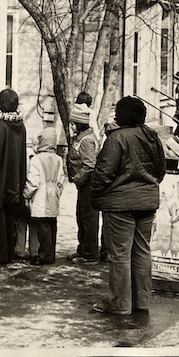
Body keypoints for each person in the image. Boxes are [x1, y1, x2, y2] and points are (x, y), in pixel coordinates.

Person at [89, 96, 167, 315]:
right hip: (147, 200)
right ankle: (141, 301)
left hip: (119, 203)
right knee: (142, 251)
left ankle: (119, 303)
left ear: (121, 115)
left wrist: (96, 195)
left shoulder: (116, 139)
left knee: (120, 254)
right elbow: (161, 170)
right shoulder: (153, 136)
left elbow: (103, 173)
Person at [0, 89, 27, 266]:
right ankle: (9, 251)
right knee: (9, 214)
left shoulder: (0, 126)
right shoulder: (20, 124)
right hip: (14, 176)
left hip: (0, 178)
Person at [23, 127, 65, 265]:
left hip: (41, 195)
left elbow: (33, 182)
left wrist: (26, 194)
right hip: (54, 194)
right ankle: (51, 254)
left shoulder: (36, 159)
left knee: (42, 227)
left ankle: (44, 255)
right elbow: (61, 180)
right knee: (52, 225)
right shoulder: (58, 159)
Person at [67, 103, 100, 264]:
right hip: (84, 184)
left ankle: (90, 253)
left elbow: (89, 165)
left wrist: (77, 178)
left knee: (88, 218)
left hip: (88, 184)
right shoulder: (82, 138)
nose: (69, 126)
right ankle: (83, 249)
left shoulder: (86, 141)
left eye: (71, 124)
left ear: (77, 125)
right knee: (82, 216)